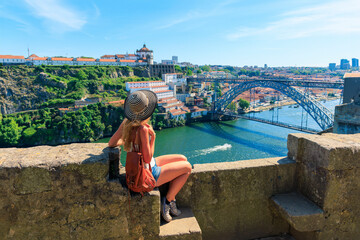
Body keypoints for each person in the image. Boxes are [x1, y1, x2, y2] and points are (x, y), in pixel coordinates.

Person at [108, 90, 192, 222]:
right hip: (148, 174)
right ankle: (168, 201)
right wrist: (153, 138)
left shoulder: (126, 123)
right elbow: (147, 158)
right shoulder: (143, 130)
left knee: (182, 158)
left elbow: (112, 143)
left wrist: (128, 142)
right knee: (187, 167)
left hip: (142, 167)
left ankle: (170, 198)